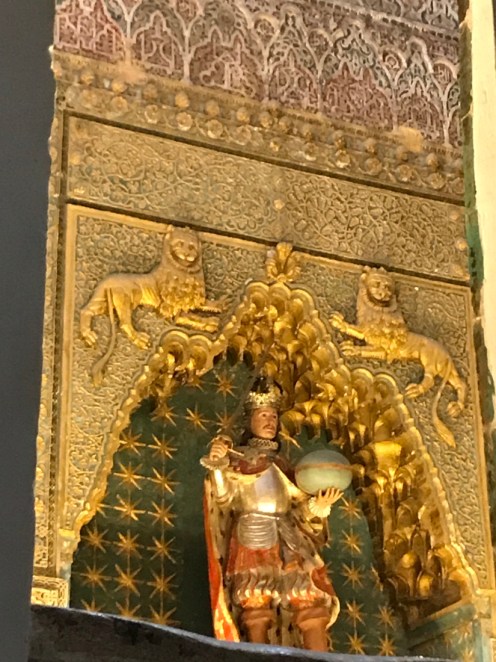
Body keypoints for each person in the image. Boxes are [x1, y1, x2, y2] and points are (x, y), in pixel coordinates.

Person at [200, 377, 341, 651]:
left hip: (289, 534)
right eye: (264, 415)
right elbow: (224, 498)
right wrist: (218, 465)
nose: (270, 422)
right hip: (253, 530)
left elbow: (299, 511)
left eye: (274, 416)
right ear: (251, 420)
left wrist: (319, 506)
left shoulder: (285, 466)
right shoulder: (238, 460)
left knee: (309, 594)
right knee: (255, 598)